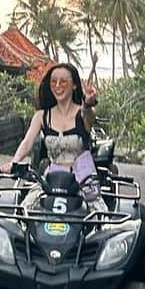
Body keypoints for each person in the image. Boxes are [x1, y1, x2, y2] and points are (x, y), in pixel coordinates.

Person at [11, 62, 107, 214]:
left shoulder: (83, 114)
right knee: (23, 213)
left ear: (74, 85)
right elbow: (27, 142)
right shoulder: (42, 116)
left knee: (101, 218)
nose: (57, 86)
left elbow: (89, 115)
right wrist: (13, 162)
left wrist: (88, 104)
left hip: (83, 179)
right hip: (51, 178)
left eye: (63, 82)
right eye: (53, 82)